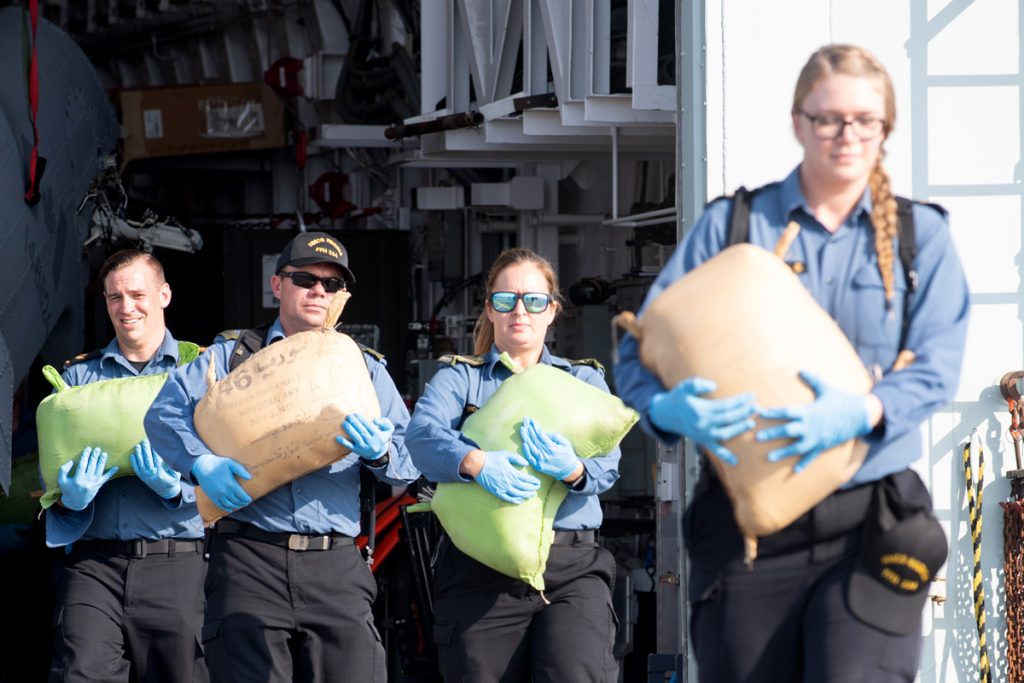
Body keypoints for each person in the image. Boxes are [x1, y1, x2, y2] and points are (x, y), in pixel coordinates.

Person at [614, 44, 970, 682]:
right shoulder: (733, 226)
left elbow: (938, 363)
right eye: (828, 118)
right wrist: (666, 410)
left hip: (869, 520)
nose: (846, 134)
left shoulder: (921, 238)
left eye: (865, 120)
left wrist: (864, 410)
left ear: (885, 127)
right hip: (747, 532)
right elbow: (639, 344)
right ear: (798, 121)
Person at [144, 231, 417, 683]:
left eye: (331, 285)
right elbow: (163, 415)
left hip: (336, 564)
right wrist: (199, 463)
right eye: (305, 278)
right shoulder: (231, 357)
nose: (318, 292)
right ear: (277, 286)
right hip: (248, 561)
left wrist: (381, 453)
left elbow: (409, 456)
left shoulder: (363, 367)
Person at [405, 247, 622, 682]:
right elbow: (421, 437)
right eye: (505, 300)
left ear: (552, 311)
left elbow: (609, 464)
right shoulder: (459, 378)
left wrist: (573, 470)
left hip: (571, 569)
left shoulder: (582, 379)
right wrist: (475, 462)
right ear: (489, 309)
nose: (519, 310)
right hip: (479, 572)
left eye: (534, 300)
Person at [45, 249, 207, 683]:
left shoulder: (202, 374)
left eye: (137, 294)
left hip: (178, 564)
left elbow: (237, 469)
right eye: (114, 297)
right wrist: (70, 500)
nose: (126, 307)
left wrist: (176, 490)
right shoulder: (77, 381)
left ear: (165, 295)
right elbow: (54, 474)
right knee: (83, 673)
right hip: (95, 564)